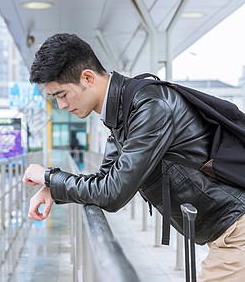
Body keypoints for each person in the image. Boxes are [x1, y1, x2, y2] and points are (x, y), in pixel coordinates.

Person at [22, 33, 245, 281]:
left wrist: (49, 176)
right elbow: (105, 178)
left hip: (237, 229)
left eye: (62, 95)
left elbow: (113, 192)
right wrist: (53, 187)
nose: (61, 105)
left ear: (87, 77)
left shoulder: (150, 107)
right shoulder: (122, 113)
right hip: (226, 229)